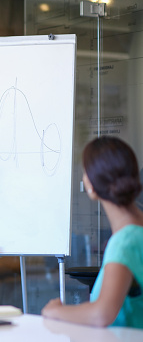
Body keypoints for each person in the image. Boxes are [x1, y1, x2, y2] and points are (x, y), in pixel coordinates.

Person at [42, 136, 143, 328]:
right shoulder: (136, 231)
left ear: (91, 184)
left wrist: (56, 311)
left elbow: (101, 314)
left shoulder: (125, 241)